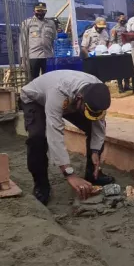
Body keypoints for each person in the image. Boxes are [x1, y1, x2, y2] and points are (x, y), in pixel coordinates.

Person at [20, 70, 113, 205]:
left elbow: (98, 126)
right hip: (36, 100)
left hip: (71, 101)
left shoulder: (98, 90)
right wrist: (70, 174)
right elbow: (55, 133)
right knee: (37, 138)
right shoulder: (58, 91)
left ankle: (92, 173)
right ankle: (41, 185)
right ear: (80, 98)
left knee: (94, 129)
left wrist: (95, 151)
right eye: (86, 110)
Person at [20, 2, 57, 82]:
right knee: (33, 80)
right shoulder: (27, 23)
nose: (40, 13)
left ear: (46, 11)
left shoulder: (51, 23)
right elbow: (23, 41)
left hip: (48, 56)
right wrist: (23, 58)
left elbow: (54, 39)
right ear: (34, 11)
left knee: (49, 80)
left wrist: (54, 56)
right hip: (33, 56)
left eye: (43, 11)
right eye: (38, 11)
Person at [110, 13, 133, 93]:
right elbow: (112, 40)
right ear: (118, 20)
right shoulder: (114, 29)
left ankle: (127, 85)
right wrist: (116, 48)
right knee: (119, 69)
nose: (123, 21)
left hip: (127, 50)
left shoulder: (128, 27)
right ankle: (120, 87)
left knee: (128, 68)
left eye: (124, 19)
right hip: (119, 51)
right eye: (121, 19)